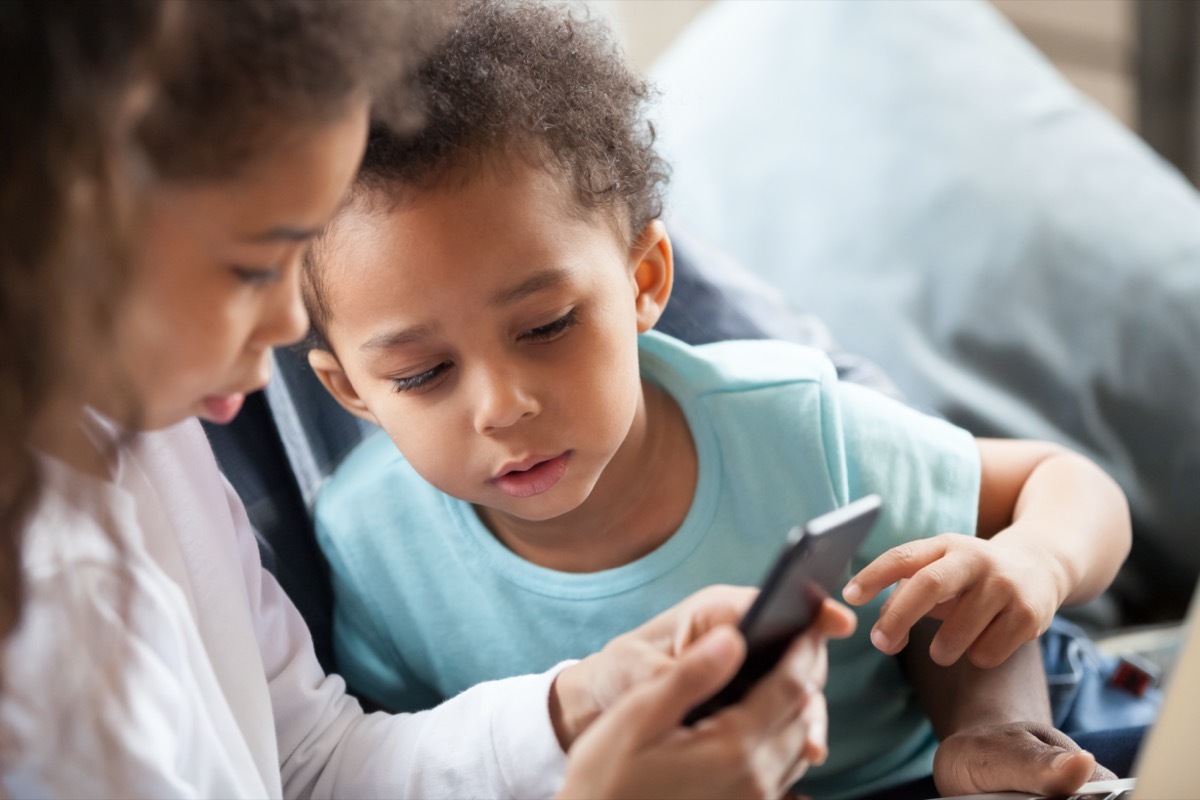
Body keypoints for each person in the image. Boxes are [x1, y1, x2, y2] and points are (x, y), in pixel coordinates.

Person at [0, 1, 859, 797]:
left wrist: (582, 702)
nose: (291, 323)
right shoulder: (52, 606)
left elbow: (305, 764)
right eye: (257, 265)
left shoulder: (148, 430)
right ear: (60, 226)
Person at [300, 1, 1134, 798]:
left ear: (643, 281)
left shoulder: (790, 424)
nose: (502, 406)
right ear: (351, 390)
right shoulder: (369, 539)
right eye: (420, 375)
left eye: (548, 326)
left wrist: (1039, 565)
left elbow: (1060, 482)